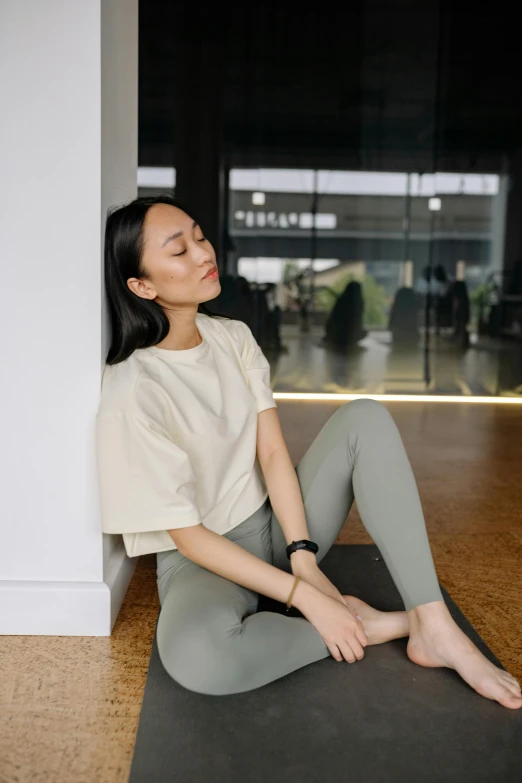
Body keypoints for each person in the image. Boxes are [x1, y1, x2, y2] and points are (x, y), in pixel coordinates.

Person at [95, 194, 522, 707]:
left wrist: (302, 557)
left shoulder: (232, 337)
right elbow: (187, 538)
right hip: (204, 560)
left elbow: (274, 454)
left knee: (364, 417)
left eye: (200, 236)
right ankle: (379, 625)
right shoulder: (132, 390)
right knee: (200, 659)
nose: (204, 253)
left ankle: (434, 625)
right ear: (142, 285)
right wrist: (305, 601)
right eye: (178, 250)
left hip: (278, 524)